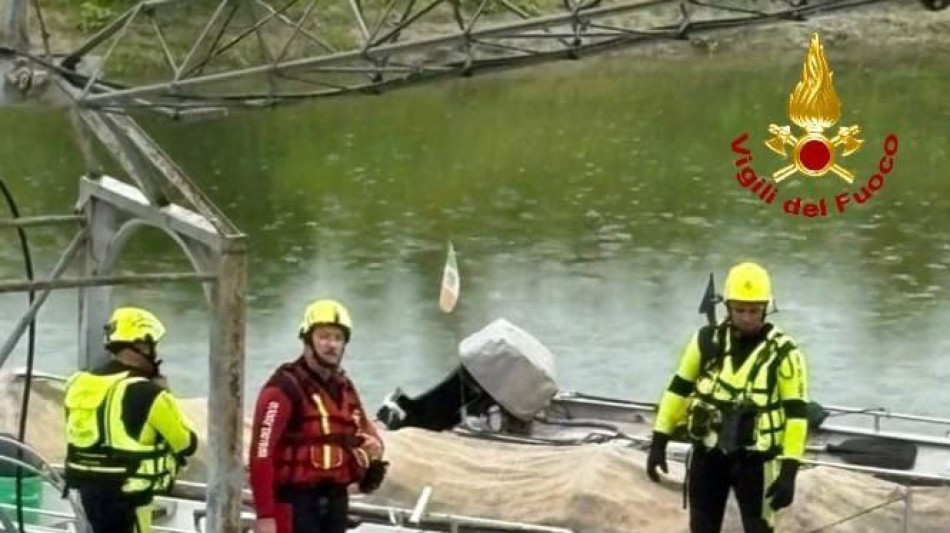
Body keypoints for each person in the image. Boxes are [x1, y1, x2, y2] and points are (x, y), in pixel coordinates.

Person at [646, 262, 809, 533]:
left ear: (766, 309)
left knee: (758, 528)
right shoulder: (706, 342)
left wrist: (789, 471)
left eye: (754, 311)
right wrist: (659, 440)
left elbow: (796, 415)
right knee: (702, 527)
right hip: (709, 454)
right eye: (739, 310)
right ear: (728, 308)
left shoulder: (785, 353)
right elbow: (678, 390)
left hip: (756, 461)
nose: (746, 318)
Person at [249, 299, 388, 533]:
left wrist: (368, 456)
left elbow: (368, 436)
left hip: (335, 503)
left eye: (337, 338)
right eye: (323, 336)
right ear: (307, 339)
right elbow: (261, 455)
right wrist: (265, 516)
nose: (331, 344)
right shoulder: (283, 389)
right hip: (295, 503)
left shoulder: (344, 388)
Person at [64, 307, 199, 533]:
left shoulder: (78, 383)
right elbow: (186, 444)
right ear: (143, 345)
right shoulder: (148, 393)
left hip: (87, 494)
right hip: (130, 499)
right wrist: (167, 394)